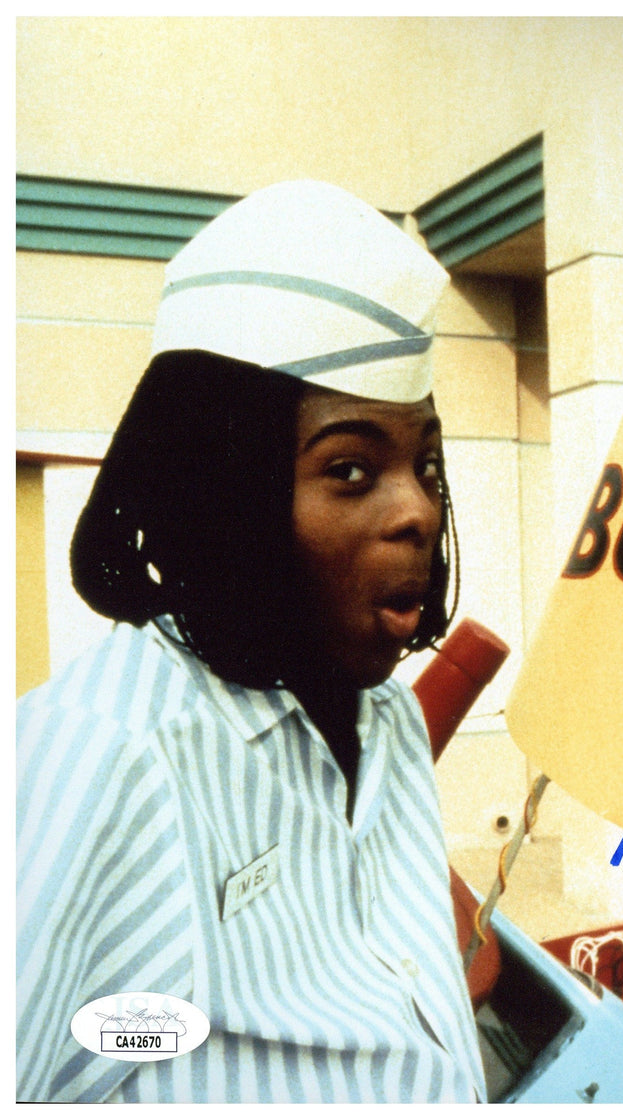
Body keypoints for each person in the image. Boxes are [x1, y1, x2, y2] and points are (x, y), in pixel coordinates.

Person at [17, 181, 488, 1102]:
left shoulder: (384, 715)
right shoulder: (106, 747)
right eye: (352, 470)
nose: (418, 511)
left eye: (424, 463)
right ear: (224, 495)